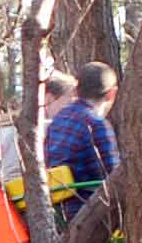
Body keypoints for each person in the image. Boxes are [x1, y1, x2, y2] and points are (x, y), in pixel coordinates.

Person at [44, 61, 120, 192]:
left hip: (56, 200)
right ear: (111, 94)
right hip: (87, 201)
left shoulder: (59, 119)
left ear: (75, 90)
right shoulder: (97, 125)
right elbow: (115, 179)